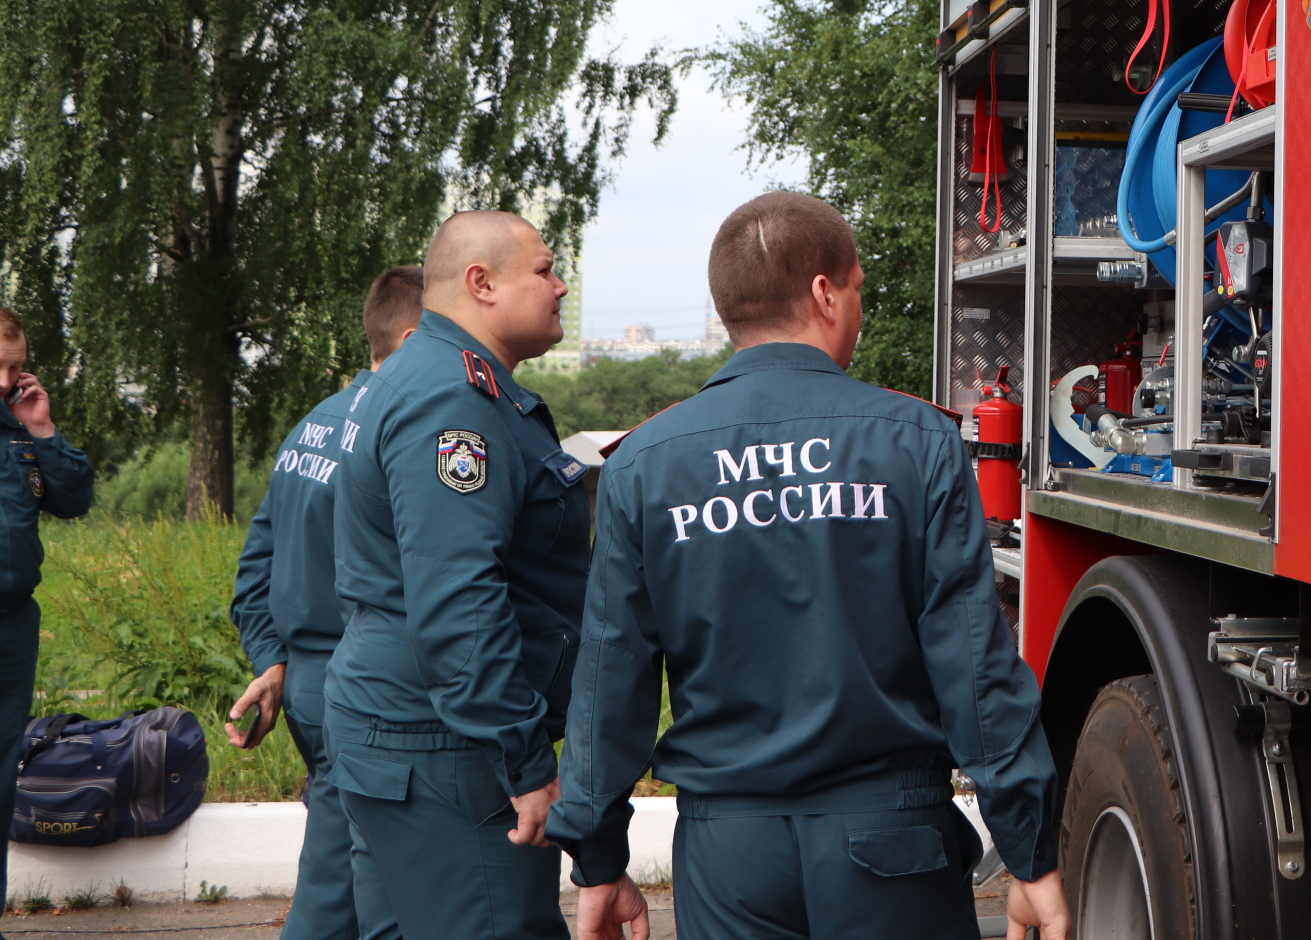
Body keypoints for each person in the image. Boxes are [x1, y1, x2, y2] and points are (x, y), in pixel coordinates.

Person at [548, 191, 1072, 940]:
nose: (858, 306)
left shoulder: (647, 463)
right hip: (891, 843)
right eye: (857, 287)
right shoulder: (916, 442)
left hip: (730, 860)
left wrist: (596, 859)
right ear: (825, 293)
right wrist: (1029, 851)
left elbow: (611, 675)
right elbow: (975, 665)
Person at [323, 213, 591, 940]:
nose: (560, 283)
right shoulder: (453, 397)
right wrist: (525, 761)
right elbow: (459, 600)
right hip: (442, 748)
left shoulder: (447, 378)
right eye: (544, 269)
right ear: (482, 282)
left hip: (406, 731)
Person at [228, 264, 425, 940]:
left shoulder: (311, 426)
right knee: (343, 897)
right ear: (413, 337)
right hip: (364, 691)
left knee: (353, 878)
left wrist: (272, 659)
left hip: (310, 686)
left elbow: (254, 566)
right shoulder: (400, 434)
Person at [0, 308, 94, 908]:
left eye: (16, 366)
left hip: (12, 626)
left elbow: (75, 498)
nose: (9, 380)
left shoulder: (19, 426)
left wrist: (42, 430)